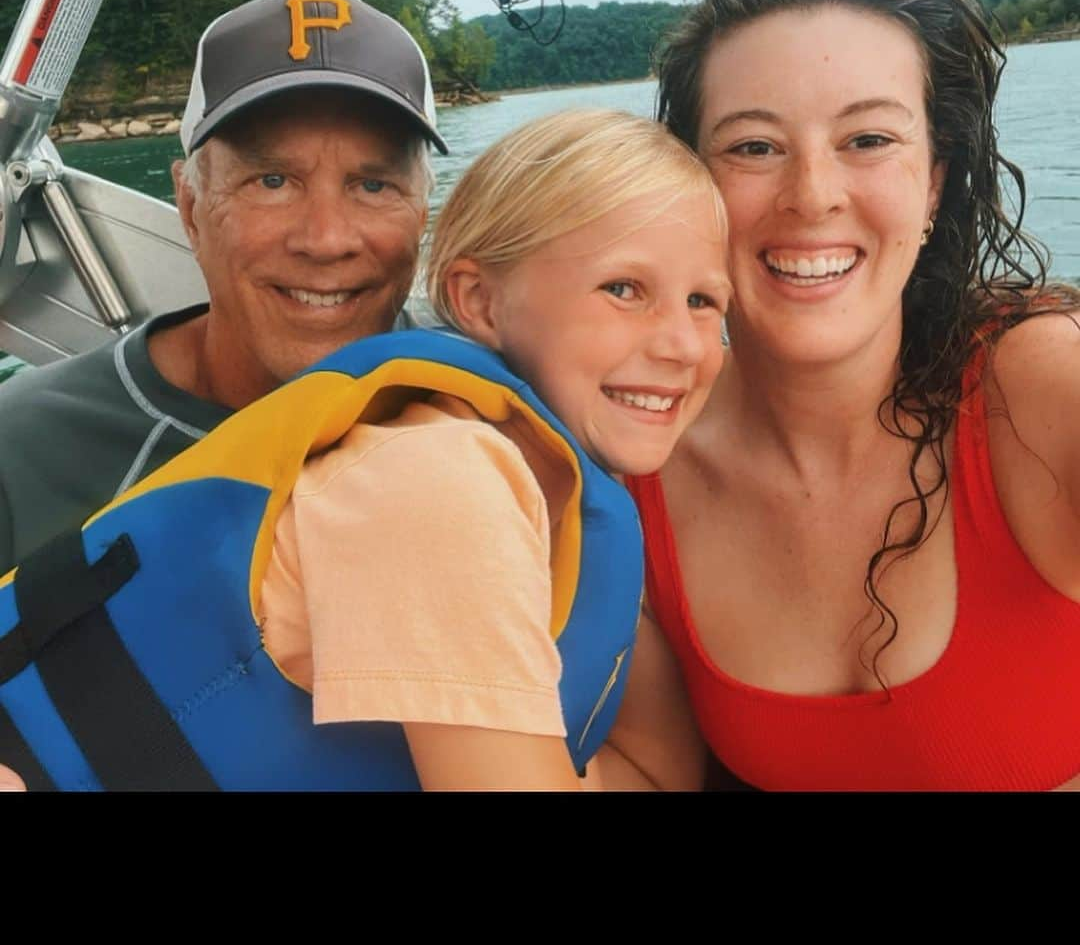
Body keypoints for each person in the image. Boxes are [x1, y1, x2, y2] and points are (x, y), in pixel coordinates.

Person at [0, 108, 729, 791]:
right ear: (476, 301)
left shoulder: (559, 489)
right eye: (624, 288)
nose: (681, 345)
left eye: (705, 302)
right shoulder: (436, 483)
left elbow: (654, 770)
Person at [626, 0, 1080, 792]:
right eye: (754, 146)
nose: (813, 195)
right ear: (689, 187)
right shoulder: (640, 455)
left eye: (868, 139)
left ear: (936, 182)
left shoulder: (1034, 388)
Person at [0, 0, 441, 572]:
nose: (327, 239)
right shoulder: (24, 454)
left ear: (421, 215)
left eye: (373, 185)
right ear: (190, 208)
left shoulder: (502, 414)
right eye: (272, 182)